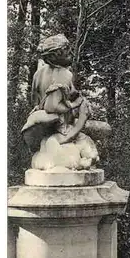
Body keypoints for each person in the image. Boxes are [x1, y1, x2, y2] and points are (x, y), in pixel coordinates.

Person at [21, 34, 100, 170]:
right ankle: (84, 156)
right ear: (54, 56)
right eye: (67, 50)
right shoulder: (65, 74)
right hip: (62, 126)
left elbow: (35, 102)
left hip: (48, 127)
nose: (71, 53)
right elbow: (55, 107)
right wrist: (76, 106)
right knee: (102, 129)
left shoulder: (37, 75)